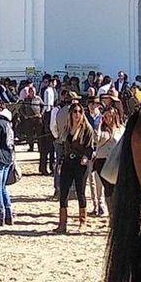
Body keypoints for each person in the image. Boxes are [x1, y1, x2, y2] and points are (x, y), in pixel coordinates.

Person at [55, 98, 96, 233]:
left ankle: (83, 222)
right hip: (68, 162)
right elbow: (63, 147)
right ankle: (62, 223)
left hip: (80, 164)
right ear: (71, 114)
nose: (77, 114)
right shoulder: (67, 128)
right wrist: (60, 162)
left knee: (80, 192)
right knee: (63, 192)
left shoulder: (86, 129)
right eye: (75, 111)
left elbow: (90, 147)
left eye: (79, 111)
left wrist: (85, 157)